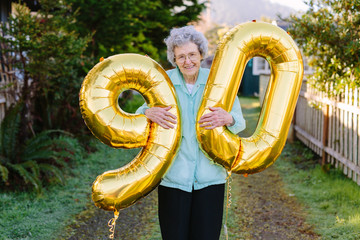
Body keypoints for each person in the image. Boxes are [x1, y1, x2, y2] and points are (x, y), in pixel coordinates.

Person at [136, 25, 246, 240]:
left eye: (192, 55)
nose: (188, 61)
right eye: (181, 57)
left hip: (211, 179)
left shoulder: (219, 83)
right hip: (173, 178)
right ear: (174, 59)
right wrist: (148, 111)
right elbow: (138, 114)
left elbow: (239, 121)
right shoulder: (163, 82)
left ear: (202, 54)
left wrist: (228, 118)